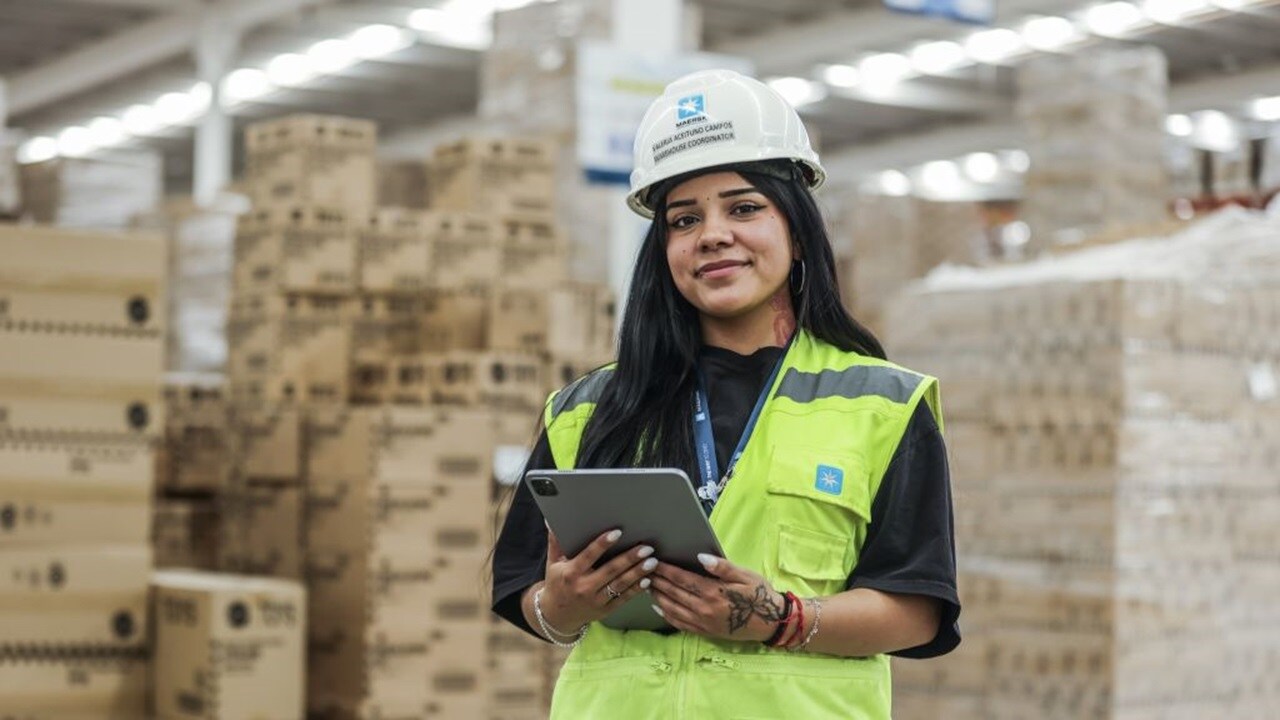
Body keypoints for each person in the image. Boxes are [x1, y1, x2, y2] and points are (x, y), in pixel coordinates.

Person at [491, 68, 959, 719]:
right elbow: (522, 589)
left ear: (796, 232)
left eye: (743, 208)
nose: (712, 234)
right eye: (684, 220)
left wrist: (781, 618)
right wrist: (560, 607)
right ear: (664, 250)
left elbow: (918, 609)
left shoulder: (882, 404)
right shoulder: (585, 410)